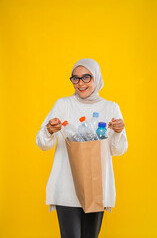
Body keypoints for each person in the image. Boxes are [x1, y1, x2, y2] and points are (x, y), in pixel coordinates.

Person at [36, 58, 128, 238]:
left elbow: (117, 150)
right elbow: (43, 144)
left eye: (87, 77)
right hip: (66, 187)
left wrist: (118, 132)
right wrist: (49, 130)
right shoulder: (63, 104)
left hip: (97, 187)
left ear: (97, 78)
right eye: (75, 78)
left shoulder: (110, 107)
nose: (80, 83)